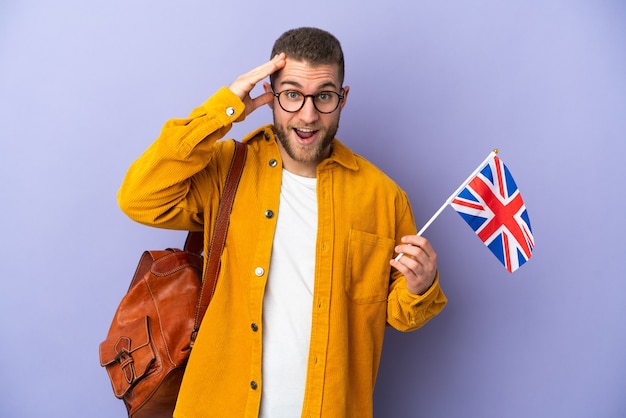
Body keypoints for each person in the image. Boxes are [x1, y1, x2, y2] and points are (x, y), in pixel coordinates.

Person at [118, 27, 447, 418]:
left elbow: (397, 313)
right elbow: (139, 196)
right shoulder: (226, 170)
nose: (307, 116)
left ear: (342, 99)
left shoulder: (383, 196)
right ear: (270, 97)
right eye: (292, 95)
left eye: (323, 96)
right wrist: (223, 109)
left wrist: (420, 287)